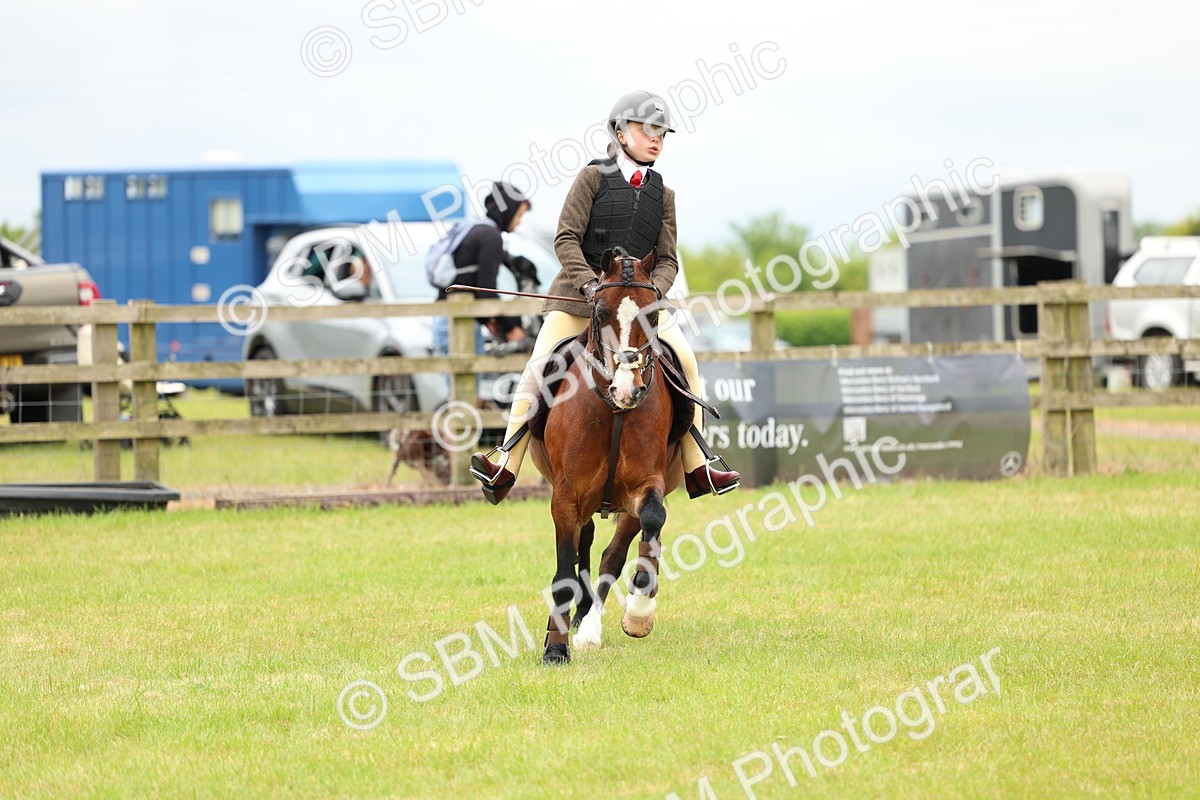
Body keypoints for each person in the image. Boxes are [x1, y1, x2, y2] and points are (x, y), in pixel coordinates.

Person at [469, 90, 741, 504]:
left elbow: (667, 260)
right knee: (538, 366)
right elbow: (565, 239)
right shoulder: (591, 178)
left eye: (662, 134)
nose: (656, 140)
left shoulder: (664, 195)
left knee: (687, 362)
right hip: (581, 302)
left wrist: (650, 294)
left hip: (638, 306)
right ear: (619, 131)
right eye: (646, 130)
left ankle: (698, 467)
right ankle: (507, 460)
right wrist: (590, 285)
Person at [431, 182, 531, 356]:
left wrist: (487, 319)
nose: (519, 221)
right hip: (459, 324)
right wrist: (511, 328)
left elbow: (471, 283)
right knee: (466, 381)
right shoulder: (491, 236)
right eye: (519, 214)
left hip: (445, 318)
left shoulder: (475, 228)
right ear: (508, 210)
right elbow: (486, 290)